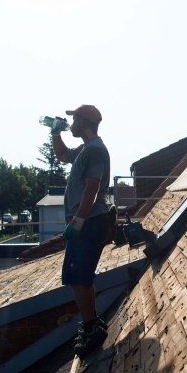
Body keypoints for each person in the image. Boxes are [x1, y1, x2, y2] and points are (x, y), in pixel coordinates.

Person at [52, 104, 111, 357]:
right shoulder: (86, 149)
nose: (71, 124)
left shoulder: (95, 151)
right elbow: (62, 155)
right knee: (83, 277)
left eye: (74, 120)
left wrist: (77, 221)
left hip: (88, 223)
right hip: (87, 222)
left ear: (84, 123)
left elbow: (92, 189)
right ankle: (92, 323)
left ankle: (89, 329)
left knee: (76, 277)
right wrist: (55, 133)